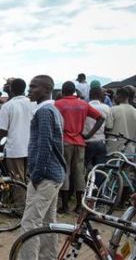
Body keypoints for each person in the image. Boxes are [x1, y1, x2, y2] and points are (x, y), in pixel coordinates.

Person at [19, 75, 66, 259]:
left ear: (46, 89)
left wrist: (36, 175)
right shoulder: (51, 109)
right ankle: (49, 257)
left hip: (46, 176)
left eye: (33, 87)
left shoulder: (45, 111)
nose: (29, 90)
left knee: (30, 223)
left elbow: (44, 146)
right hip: (53, 175)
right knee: (48, 222)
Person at [55, 81, 104, 214]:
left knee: (65, 171)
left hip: (65, 142)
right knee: (79, 173)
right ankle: (78, 206)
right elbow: (100, 118)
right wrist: (88, 135)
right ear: (74, 91)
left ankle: (64, 206)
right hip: (80, 142)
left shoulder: (58, 104)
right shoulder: (83, 104)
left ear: (63, 91)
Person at [0, 78, 33, 184]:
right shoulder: (33, 103)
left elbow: (3, 131)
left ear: (11, 89)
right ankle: (30, 200)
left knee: (18, 181)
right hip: (32, 148)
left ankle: (20, 201)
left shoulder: (7, 106)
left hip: (15, 149)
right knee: (30, 179)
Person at [83, 87, 110, 184]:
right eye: (103, 94)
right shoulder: (106, 108)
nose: (104, 96)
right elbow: (109, 126)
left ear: (90, 95)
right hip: (100, 142)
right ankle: (97, 193)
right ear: (99, 95)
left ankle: (84, 191)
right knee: (100, 170)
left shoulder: (84, 107)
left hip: (86, 143)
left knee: (83, 168)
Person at [106, 87, 136, 154]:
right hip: (130, 150)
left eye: (115, 96)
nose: (114, 98)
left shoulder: (113, 109)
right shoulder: (135, 111)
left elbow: (108, 127)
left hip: (114, 149)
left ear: (119, 96)